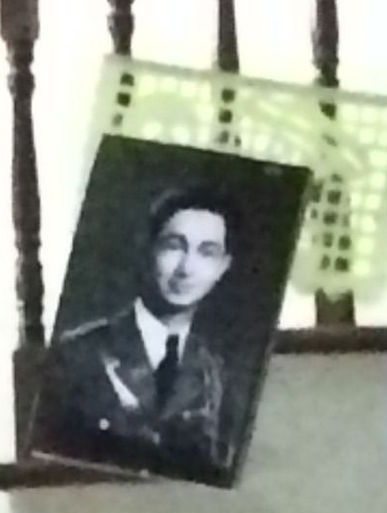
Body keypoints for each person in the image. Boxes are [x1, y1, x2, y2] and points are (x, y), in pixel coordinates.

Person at [37, 184, 243, 478]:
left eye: (207, 253)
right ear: (149, 249)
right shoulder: (76, 354)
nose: (186, 268)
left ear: (223, 267)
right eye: (174, 246)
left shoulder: (215, 373)